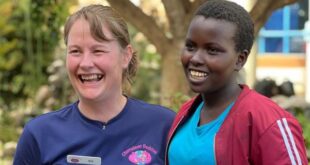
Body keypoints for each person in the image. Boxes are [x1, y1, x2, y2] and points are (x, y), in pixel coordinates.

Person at [13, 4, 175, 165]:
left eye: (98, 51)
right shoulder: (39, 134)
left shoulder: (164, 126)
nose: (85, 63)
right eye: (75, 51)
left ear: (126, 56)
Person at [166, 0, 308, 164]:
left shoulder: (269, 122)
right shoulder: (186, 112)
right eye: (190, 47)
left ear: (240, 59)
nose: (195, 58)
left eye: (212, 50)